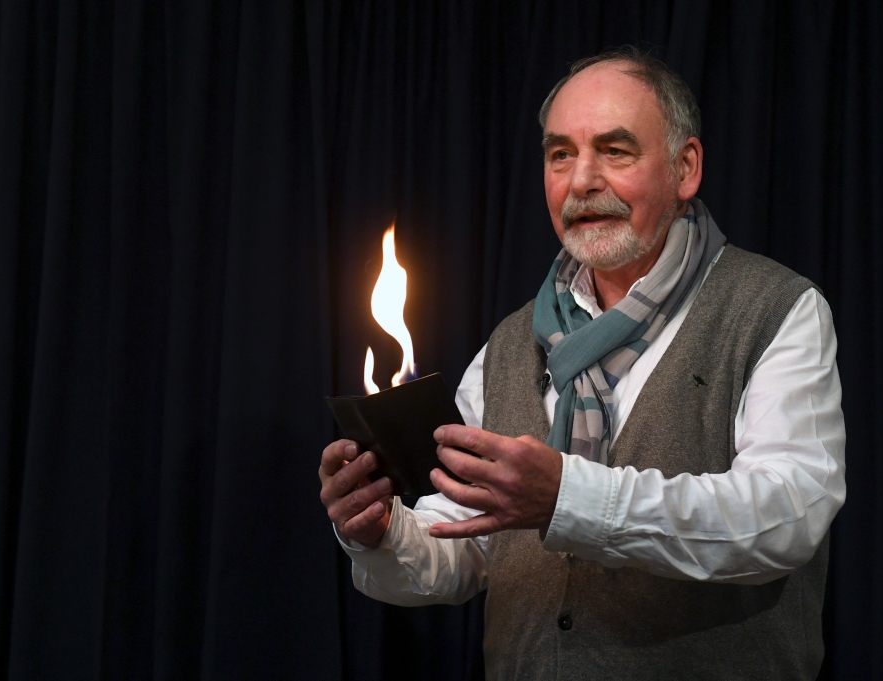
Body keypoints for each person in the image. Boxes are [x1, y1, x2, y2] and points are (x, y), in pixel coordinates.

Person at [320, 46, 845, 680]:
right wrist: (380, 532)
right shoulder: (513, 343)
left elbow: (786, 516)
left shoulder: (776, 310)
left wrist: (567, 496)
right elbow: (463, 546)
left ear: (685, 168)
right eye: (560, 154)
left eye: (615, 151)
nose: (581, 181)